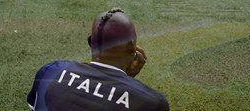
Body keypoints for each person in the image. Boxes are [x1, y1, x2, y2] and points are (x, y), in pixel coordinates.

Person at [27, 8, 169, 110]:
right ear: (133, 46)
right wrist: (127, 80)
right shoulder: (153, 103)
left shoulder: (51, 71)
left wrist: (123, 78)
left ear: (90, 42)